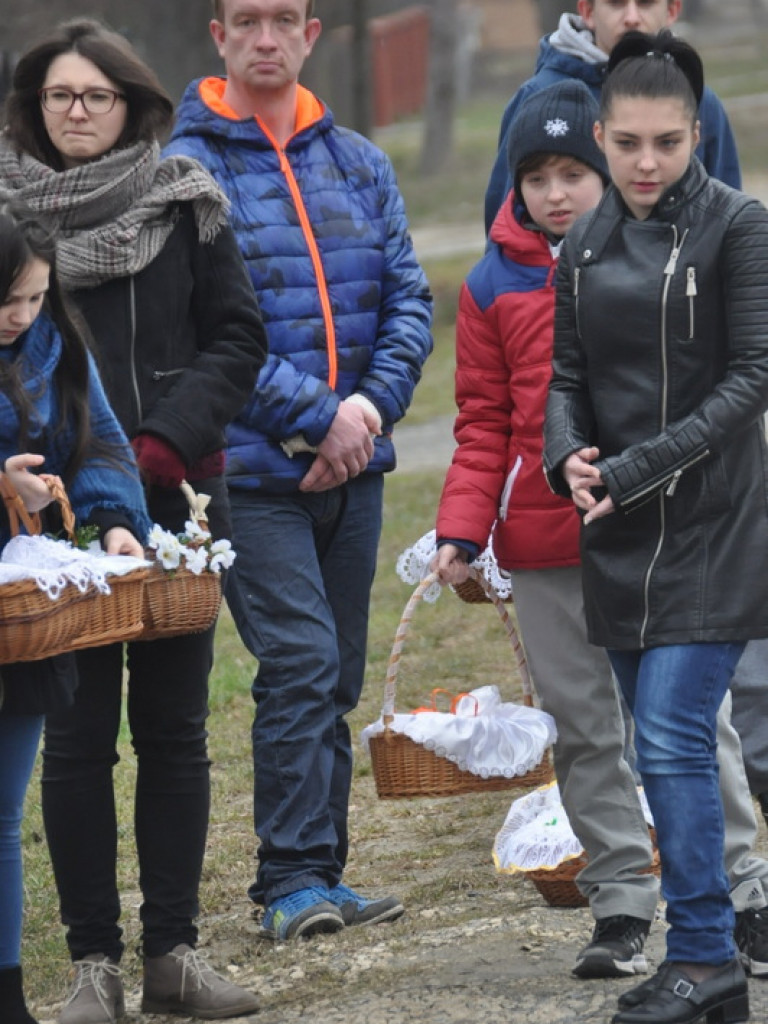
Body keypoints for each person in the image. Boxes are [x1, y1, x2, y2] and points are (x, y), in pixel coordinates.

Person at [0, 17, 267, 1023]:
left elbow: (237, 336)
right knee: (75, 740)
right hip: (46, 525)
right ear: (34, 107)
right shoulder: (6, 220)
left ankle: (175, 955)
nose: (77, 111)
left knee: (176, 731)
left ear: (131, 104)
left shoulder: (185, 199)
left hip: (176, 501)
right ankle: (92, 966)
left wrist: (160, 437)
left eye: (96, 95)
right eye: (60, 96)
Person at [163, 0, 433, 942]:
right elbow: (200, 332)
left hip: (353, 468)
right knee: (301, 661)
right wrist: (321, 418)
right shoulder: (183, 173)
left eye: (285, 18)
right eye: (249, 19)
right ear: (219, 35)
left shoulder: (359, 160)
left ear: (312, 34)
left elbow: (408, 295)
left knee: (337, 675)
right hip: (244, 471)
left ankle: (325, 872)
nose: (266, 36)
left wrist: (364, 415)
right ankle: (286, 880)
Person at [544, 29, 768, 1024]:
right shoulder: (584, 239)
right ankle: (706, 966)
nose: (644, 163)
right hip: (619, 530)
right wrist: (568, 454)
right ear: (600, 134)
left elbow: (753, 377)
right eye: (627, 142)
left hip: (718, 524)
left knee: (675, 736)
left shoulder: (739, 226)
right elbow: (568, 375)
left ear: (696, 137)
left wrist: (638, 467)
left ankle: (708, 951)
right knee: (652, 742)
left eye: (667, 143)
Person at [432, 78, 663, 980]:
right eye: (538, 175)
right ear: (515, 182)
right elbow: (483, 422)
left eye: (574, 171)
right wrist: (461, 528)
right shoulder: (491, 285)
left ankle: (736, 886)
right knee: (583, 727)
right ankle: (619, 902)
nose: (557, 192)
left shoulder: (658, 254)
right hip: (542, 547)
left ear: (607, 167)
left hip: (651, 533)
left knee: (682, 723)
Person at [0, 205, 150, 1024]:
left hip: (24, 616)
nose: (20, 317)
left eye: (33, 298)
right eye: (7, 301)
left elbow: (95, 446)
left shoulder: (56, 348)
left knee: (3, 812)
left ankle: (10, 996)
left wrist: (115, 519)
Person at [484, 0, 740, 234]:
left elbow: (727, 222)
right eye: (616, 3)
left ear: (672, 10)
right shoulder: (538, 98)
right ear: (587, 11)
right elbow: (506, 230)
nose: (631, 17)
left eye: (645, 3)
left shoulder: (700, 102)